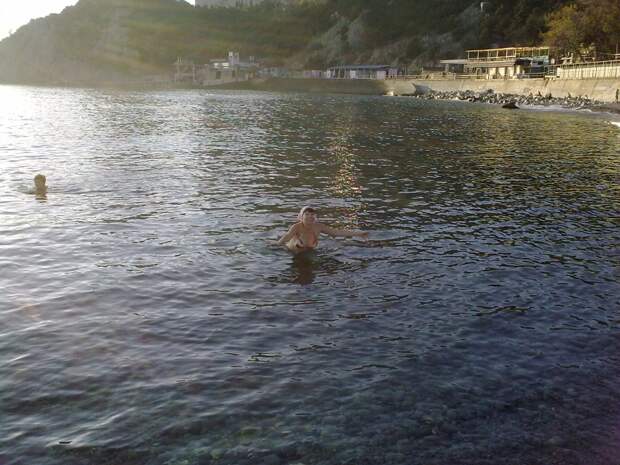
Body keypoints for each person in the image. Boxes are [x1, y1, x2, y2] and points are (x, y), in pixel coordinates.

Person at [278, 206, 368, 253]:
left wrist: (358, 233)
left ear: (315, 217)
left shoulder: (318, 227)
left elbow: (336, 232)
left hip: (310, 251)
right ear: (301, 217)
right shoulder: (296, 227)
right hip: (294, 252)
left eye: (312, 214)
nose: (310, 216)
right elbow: (287, 236)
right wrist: (277, 244)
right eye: (307, 214)